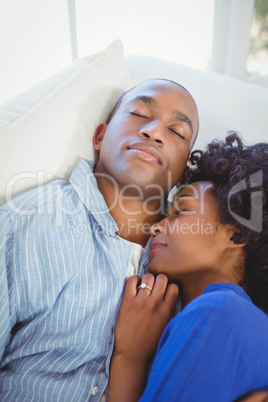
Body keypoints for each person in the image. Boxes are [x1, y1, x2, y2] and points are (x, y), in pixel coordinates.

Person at [0, 79, 199, 401]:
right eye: (138, 113)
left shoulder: (193, 259)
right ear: (100, 136)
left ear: (184, 175)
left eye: (177, 132)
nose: (154, 132)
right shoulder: (26, 221)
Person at [107, 133, 268, 402]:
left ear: (238, 235)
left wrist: (130, 358)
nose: (156, 227)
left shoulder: (215, 314)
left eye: (181, 210)